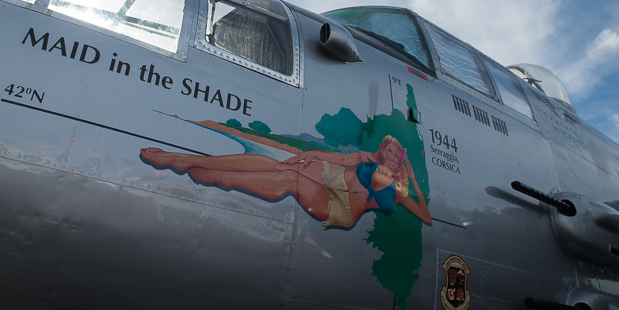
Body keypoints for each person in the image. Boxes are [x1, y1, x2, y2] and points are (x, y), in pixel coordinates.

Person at [140, 135, 431, 228]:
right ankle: (187, 159)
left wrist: (414, 179)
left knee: (289, 179)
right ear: (383, 151)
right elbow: (334, 158)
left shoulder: (398, 191)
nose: (392, 157)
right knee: (283, 167)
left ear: (400, 159)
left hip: (343, 207)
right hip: (337, 177)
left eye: (397, 155)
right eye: (389, 152)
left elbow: (427, 217)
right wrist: (307, 155)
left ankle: (222, 176)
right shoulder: (365, 158)